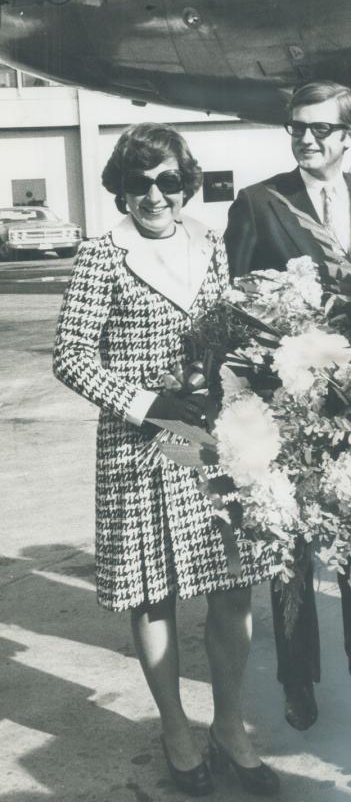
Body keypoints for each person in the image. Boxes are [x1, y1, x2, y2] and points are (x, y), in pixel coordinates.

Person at [53, 123, 277, 798]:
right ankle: (176, 728)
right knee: (153, 591)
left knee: (232, 579)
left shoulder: (211, 248)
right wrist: (148, 405)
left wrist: (245, 370)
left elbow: (229, 332)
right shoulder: (101, 256)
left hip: (206, 437)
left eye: (169, 180)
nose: (155, 195)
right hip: (144, 441)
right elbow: (70, 356)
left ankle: (230, 725)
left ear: (187, 184)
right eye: (140, 182)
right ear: (120, 188)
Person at [223, 81, 351, 733]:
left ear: (350, 136)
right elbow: (238, 305)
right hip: (288, 398)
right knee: (290, 545)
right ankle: (297, 679)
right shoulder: (259, 203)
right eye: (296, 129)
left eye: (320, 129)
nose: (306, 139)